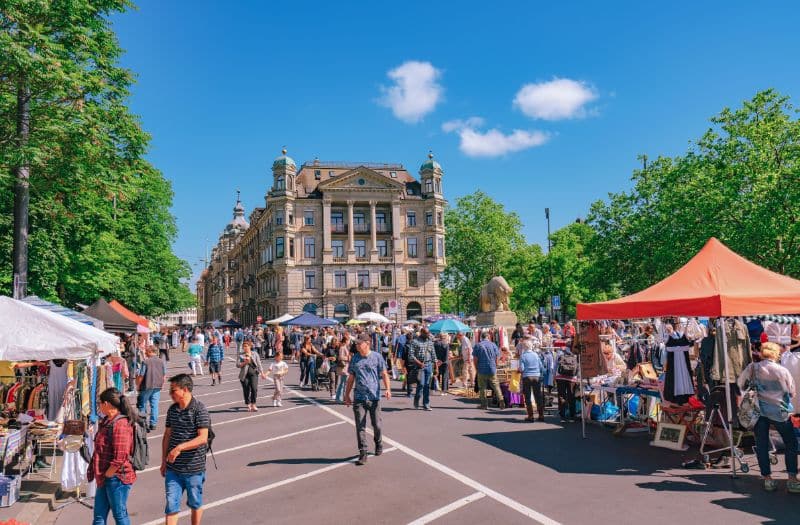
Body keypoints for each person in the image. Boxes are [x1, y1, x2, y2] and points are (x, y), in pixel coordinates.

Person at [737, 342, 799, 492]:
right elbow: (792, 392)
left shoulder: (752, 367)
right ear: (776, 354)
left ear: (762, 353)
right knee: (791, 443)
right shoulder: (782, 370)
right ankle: (792, 479)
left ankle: (767, 479)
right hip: (779, 412)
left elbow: (740, 383)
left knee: (762, 446)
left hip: (758, 412)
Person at [162, 374, 210, 525]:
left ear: (185, 389)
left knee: (195, 504)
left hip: (194, 469)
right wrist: (164, 461)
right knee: (171, 506)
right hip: (173, 469)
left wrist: (179, 448)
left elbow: (202, 438)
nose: (170, 394)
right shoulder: (172, 410)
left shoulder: (199, 409)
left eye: (173, 390)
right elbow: (167, 435)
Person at [88, 387, 137, 525]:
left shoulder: (120, 424)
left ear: (107, 404)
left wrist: (109, 474)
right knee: (99, 516)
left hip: (117, 478)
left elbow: (120, 457)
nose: (98, 406)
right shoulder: (108, 421)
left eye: (99, 403)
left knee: (119, 515)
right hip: (106, 476)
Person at [344, 333, 391, 466]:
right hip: (359, 397)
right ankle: (363, 452)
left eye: (359, 343)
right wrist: (347, 395)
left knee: (377, 424)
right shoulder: (355, 359)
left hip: (374, 397)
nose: (357, 345)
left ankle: (378, 443)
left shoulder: (377, 357)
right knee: (360, 426)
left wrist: (388, 389)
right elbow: (351, 378)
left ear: (367, 343)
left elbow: (384, 374)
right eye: (356, 343)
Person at [407, 328, 439, 411]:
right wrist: (419, 363)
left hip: (429, 365)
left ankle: (426, 404)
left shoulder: (430, 342)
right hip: (419, 366)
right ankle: (417, 399)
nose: (428, 335)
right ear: (421, 333)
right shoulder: (414, 342)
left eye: (428, 333)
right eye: (426, 333)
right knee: (421, 384)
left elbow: (434, 355)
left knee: (427, 385)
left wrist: (436, 367)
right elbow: (411, 355)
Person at [473, 332, 505, 410]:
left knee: (482, 387)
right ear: (488, 337)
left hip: (481, 368)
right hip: (492, 368)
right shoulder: (493, 345)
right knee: (496, 385)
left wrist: (476, 368)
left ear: (481, 337)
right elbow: (497, 356)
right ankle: (501, 401)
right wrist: (496, 365)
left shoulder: (477, 345)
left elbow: (475, 359)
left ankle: (484, 404)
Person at [137, 346, 166, 432]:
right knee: (154, 406)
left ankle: (143, 423)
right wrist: (162, 384)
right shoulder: (161, 361)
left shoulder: (146, 362)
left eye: (146, 351)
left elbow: (141, 375)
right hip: (157, 385)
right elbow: (164, 375)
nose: (145, 353)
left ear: (150, 351)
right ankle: (153, 424)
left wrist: (138, 385)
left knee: (143, 404)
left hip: (147, 385)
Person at [518, 342, 545, 422]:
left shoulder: (523, 356)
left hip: (527, 376)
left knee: (528, 397)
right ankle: (541, 415)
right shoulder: (536, 355)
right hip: (536, 376)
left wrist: (519, 370)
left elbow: (522, 369)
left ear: (524, 348)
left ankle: (531, 416)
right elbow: (541, 366)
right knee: (538, 396)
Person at [237, 342, 266, 412]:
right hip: (244, 375)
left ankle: (254, 404)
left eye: (246, 346)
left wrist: (262, 373)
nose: (245, 348)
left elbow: (259, 364)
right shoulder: (241, 355)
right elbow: (237, 365)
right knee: (246, 390)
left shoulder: (255, 354)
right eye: (244, 346)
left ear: (250, 346)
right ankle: (248, 404)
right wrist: (244, 362)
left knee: (254, 389)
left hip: (254, 374)